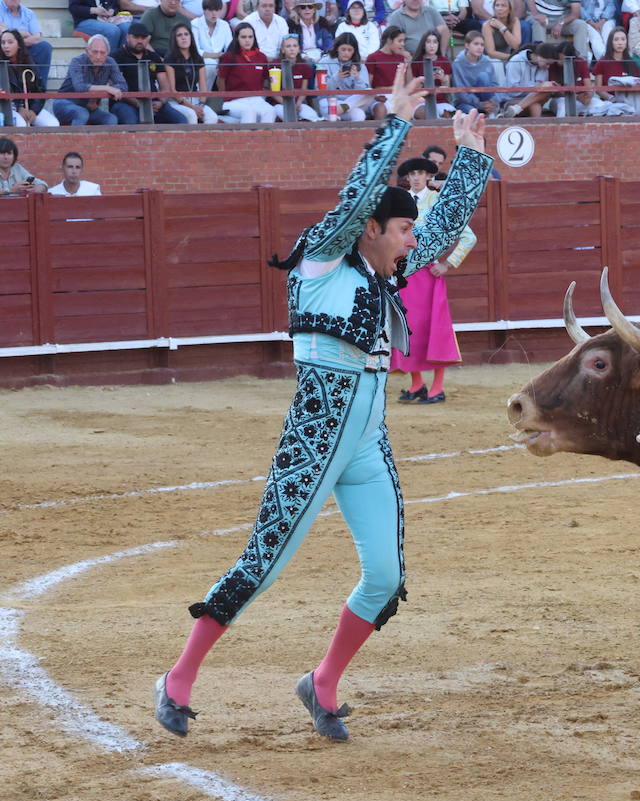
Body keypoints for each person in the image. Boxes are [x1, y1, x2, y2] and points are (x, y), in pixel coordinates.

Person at [153, 76, 493, 744]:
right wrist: (392, 125)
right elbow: (359, 195)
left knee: (388, 575)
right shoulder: (327, 251)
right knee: (265, 562)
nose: (409, 242)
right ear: (371, 227)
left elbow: (443, 231)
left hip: (367, 434)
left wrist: (470, 163)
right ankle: (178, 677)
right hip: (314, 432)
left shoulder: (382, 266)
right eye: (400, 229)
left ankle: (324, 681)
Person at [392, 154, 475, 404]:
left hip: (428, 276)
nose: (416, 178)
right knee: (407, 328)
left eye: (420, 173)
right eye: (412, 174)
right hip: (404, 275)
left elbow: (469, 236)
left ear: (429, 176)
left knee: (433, 329)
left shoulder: (439, 201)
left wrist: (448, 263)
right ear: (407, 178)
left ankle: (437, 387)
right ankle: (417, 384)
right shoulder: (403, 201)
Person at [111, 23, 189, 123]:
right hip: (125, 102)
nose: (140, 41)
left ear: (148, 39)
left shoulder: (153, 57)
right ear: (127, 37)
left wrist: (161, 101)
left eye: (143, 38)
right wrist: (139, 104)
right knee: (131, 122)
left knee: (181, 121)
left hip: (154, 102)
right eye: (136, 37)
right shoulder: (116, 57)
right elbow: (115, 87)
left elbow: (165, 86)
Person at [218, 20, 277, 120]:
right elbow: (221, 80)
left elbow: (267, 79)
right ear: (237, 38)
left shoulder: (261, 57)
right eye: (243, 37)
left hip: (257, 99)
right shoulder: (229, 56)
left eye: (250, 37)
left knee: (270, 111)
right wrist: (225, 97)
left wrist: (264, 94)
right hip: (234, 100)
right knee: (249, 112)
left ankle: (264, 136)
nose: (247, 40)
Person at [166, 20, 220, 121]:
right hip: (177, 101)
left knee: (212, 117)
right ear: (175, 39)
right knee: (191, 115)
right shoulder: (169, 58)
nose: (183, 37)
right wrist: (192, 108)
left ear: (191, 37)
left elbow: (203, 86)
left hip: (195, 100)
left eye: (186, 34)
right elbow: (172, 90)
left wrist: (201, 104)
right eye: (179, 35)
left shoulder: (197, 58)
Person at [1, 27, 55, 127]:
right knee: (21, 125)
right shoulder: (1, 65)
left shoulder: (29, 62)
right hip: (7, 108)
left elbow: (40, 90)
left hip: (29, 107)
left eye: (10, 42)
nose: (6, 46)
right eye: (3, 43)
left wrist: (34, 111)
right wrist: (18, 108)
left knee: (53, 124)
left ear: (19, 45)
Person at [324, 31, 384, 117]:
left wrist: (357, 78)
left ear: (354, 51)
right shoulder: (325, 62)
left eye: (349, 50)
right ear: (337, 48)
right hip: (333, 102)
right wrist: (336, 78)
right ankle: (344, 107)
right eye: (343, 49)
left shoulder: (360, 65)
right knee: (359, 115)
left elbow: (364, 92)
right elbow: (322, 90)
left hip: (354, 103)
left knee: (369, 92)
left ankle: (346, 106)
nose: (346, 53)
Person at [0, 0, 51, 87]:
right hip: (3, 48)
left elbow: (36, 37)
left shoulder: (29, 13)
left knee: (44, 47)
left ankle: (39, 91)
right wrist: (24, 33)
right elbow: (2, 34)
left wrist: (14, 41)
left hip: (23, 50)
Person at [451, 29, 501, 113]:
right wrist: (479, 104)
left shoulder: (487, 62)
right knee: (474, 114)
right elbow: (460, 93)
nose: (479, 47)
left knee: (483, 76)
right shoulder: (457, 64)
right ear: (467, 45)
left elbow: (494, 84)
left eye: (482, 45)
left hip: (486, 101)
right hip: (465, 103)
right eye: (476, 44)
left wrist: (491, 102)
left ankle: (489, 110)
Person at [191, 0, 232, 86]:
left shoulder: (225, 25)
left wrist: (223, 57)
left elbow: (230, 48)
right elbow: (196, 50)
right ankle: (203, 95)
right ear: (204, 10)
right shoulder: (195, 24)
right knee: (210, 64)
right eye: (210, 10)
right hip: (199, 60)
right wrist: (217, 55)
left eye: (217, 10)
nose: (214, 13)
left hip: (222, 60)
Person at [68, 0, 133, 53]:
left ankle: (124, 63)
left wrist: (112, 11)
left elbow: (115, 6)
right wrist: (93, 10)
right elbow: (73, 8)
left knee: (126, 28)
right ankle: (110, 63)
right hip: (85, 20)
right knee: (112, 30)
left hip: (108, 19)